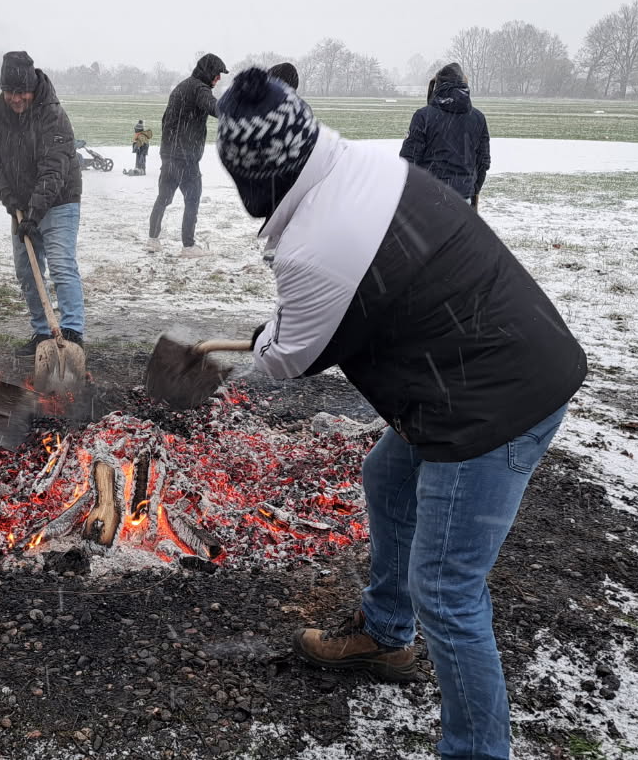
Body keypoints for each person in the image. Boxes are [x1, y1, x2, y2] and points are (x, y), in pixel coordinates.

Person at [216, 67, 587, 760]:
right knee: (388, 478)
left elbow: (289, 358)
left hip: (491, 403)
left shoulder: (316, 245)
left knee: (447, 589)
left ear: (255, 177)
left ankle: (476, 751)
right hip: (497, 360)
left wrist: (266, 341)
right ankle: (386, 635)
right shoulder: (361, 170)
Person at [0, 51, 85, 356]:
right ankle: (42, 333)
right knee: (28, 272)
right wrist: (9, 199)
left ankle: (72, 333)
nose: (15, 99)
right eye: (9, 91)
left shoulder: (52, 114)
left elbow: (54, 169)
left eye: (21, 92)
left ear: (33, 87)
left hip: (59, 200)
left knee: (61, 265)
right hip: (21, 204)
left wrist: (34, 213)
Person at [151, 53, 227, 257]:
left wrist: (169, 150)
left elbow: (165, 119)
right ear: (209, 72)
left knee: (163, 197)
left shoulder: (181, 87)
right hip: (186, 157)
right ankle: (188, 246)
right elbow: (215, 108)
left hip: (169, 154)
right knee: (192, 199)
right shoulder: (200, 89)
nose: (219, 78)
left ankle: (153, 239)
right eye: (217, 73)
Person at [400, 62, 491, 210]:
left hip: (428, 199)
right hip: (463, 199)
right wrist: (472, 189)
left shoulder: (423, 116)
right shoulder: (478, 118)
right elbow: (483, 162)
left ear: (438, 85)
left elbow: (408, 160)